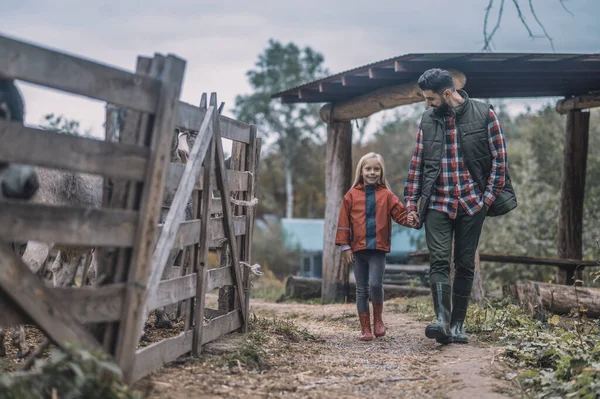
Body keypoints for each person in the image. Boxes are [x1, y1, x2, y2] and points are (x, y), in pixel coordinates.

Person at [404, 68, 517, 344]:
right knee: (439, 261)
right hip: (437, 203)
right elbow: (417, 161)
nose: (427, 104)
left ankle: (457, 326)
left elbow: (499, 161)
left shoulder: (484, 113)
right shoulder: (427, 119)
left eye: (430, 98)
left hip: (472, 203)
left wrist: (485, 201)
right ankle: (441, 321)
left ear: (446, 93)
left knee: (464, 264)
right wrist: (410, 200)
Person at [336, 152, 417, 341]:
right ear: (361, 171)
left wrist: (411, 219)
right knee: (361, 289)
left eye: (376, 169)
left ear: (381, 172)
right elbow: (343, 222)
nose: (372, 172)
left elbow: (401, 215)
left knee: (375, 284)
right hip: (357, 250)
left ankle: (378, 320)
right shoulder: (351, 196)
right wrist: (345, 247)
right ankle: (365, 328)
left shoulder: (387, 195)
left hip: (378, 249)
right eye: (368, 169)